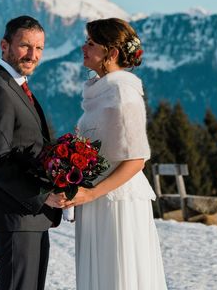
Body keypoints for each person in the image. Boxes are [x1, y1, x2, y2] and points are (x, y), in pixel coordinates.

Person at [65, 17, 168, 290]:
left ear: (110, 53)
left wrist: (92, 192)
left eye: (91, 43)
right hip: (96, 200)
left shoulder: (122, 93)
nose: (83, 48)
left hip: (116, 202)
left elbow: (136, 159)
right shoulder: (102, 90)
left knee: (117, 277)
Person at [0, 15, 66, 290]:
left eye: (39, 48)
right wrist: (44, 195)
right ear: (4, 46)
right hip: (15, 216)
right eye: (25, 46)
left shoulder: (17, 86)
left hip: (29, 218)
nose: (33, 55)